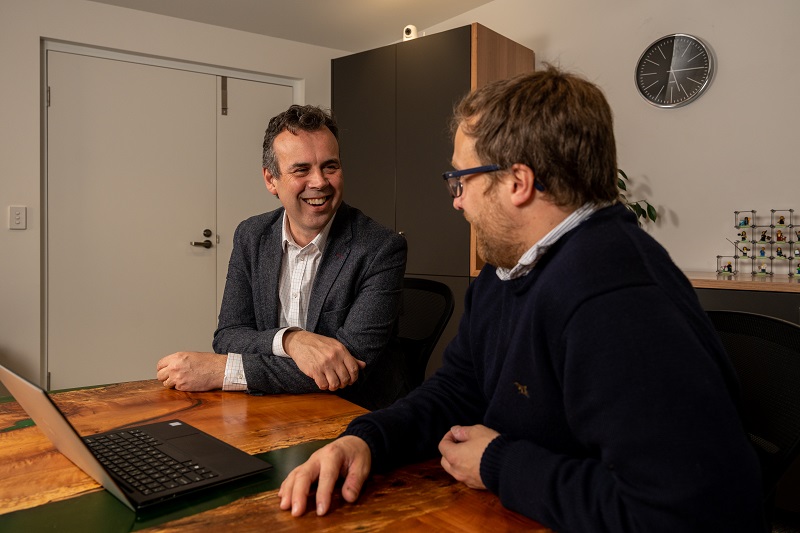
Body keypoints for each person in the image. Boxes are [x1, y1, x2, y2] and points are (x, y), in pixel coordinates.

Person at [277, 67, 765, 532]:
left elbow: (685, 514)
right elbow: (458, 391)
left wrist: (498, 462)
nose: (457, 200)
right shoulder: (507, 271)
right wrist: (366, 439)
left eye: (461, 179)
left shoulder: (615, 298)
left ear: (517, 182)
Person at [156, 105, 409, 410]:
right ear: (270, 180)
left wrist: (223, 370)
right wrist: (292, 340)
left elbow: (349, 368)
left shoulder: (380, 247)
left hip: (353, 411)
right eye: (301, 170)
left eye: (330, 166)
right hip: (271, 407)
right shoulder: (251, 235)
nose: (320, 182)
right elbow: (229, 336)